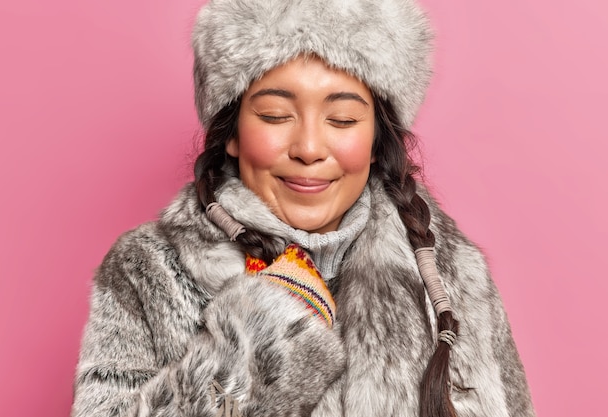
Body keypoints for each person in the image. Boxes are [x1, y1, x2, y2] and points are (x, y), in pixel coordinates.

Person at [71, 0, 536, 416]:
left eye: (342, 119)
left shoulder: (452, 275)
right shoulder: (146, 270)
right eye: (275, 115)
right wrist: (264, 338)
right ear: (231, 133)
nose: (310, 148)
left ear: (376, 140)